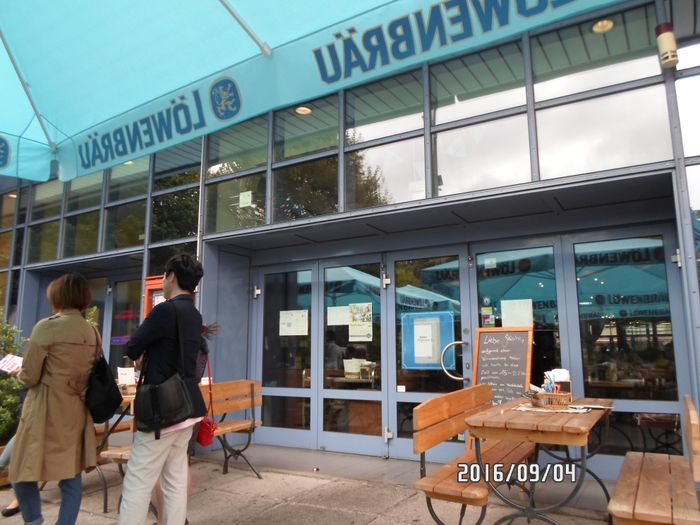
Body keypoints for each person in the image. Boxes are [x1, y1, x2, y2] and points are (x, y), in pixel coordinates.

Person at [118, 253, 206, 525]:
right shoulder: (193, 312)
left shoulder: (165, 309)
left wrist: (146, 353)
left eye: (165, 275)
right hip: (187, 408)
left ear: (172, 276)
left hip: (163, 410)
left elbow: (132, 347)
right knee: (175, 478)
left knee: (137, 480)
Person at [9, 272, 99, 525]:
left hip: (45, 410)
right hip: (76, 410)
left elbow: (29, 377)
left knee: (21, 472)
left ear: (57, 297)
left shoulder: (46, 326)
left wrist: (17, 371)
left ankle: (34, 520)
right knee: (70, 476)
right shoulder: (91, 331)